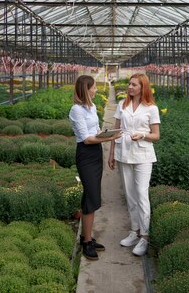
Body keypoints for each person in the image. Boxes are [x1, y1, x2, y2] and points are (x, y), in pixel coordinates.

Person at [69, 75, 122, 261]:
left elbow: (95, 132)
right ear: (86, 89)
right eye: (93, 87)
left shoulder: (91, 108)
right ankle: (87, 242)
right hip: (85, 154)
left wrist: (105, 133)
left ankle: (86, 237)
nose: (96, 89)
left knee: (89, 196)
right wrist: (110, 138)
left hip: (96, 153)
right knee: (92, 197)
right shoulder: (76, 110)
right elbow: (87, 138)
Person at [108, 73, 160, 256]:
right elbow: (115, 131)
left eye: (134, 85)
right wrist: (111, 153)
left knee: (141, 195)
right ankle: (134, 231)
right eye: (129, 84)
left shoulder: (151, 108)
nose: (129, 87)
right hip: (124, 154)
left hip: (143, 155)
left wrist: (142, 135)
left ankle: (145, 237)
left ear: (142, 87)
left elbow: (156, 135)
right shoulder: (123, 104)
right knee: (130, 196)